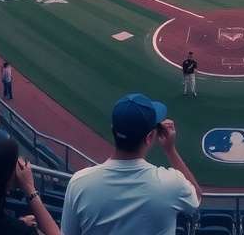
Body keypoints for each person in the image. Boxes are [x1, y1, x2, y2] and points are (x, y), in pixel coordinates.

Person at [61, 93, 201, 235]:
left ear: (113, 130)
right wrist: (170, 150)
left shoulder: (79, 183)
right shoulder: (171, 183)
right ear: (150, 137)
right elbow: (196, 197)